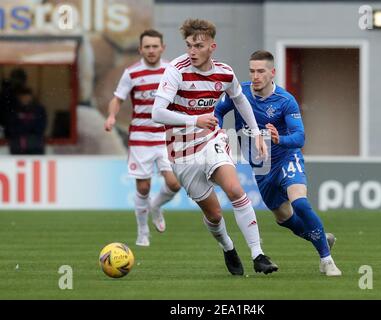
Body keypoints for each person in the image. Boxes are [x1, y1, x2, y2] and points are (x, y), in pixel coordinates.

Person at [152, 19, 278, 275]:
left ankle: (258, 255)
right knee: (214, 214)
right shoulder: (176, 70)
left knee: (234, 189)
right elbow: (157, 113)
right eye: (189, 45)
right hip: (181, 153)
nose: (192, 51)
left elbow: (240, 100)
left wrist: (255, 133)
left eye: (198, 46)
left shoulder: (224, 72)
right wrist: (194, 119)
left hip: (211, 140)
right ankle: (228, 247)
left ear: (212, 46)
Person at [215, 50, 342, 276]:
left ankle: (326, 260)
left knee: (300, 204)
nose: (255, 76)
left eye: (261, 71)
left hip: (286, 158)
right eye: (252, 71)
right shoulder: (239, 92)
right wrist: (215, 129)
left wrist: (278, 139)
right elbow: (218, 110)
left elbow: (300, 137)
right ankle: (322, 238)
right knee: (285, 219)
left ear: (272, 73)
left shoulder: (285, 101)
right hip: (262, 169)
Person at [104, 29, 181, 247]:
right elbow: (117, 99)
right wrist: (111, 116)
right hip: (140, 137)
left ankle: (156, 207)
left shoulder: (171, 70)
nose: (151, 50)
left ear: (162, 48)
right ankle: (143, 231)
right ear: (140, 49)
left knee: (174, 184)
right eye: (147, 47)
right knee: (143, 188)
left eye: (155, 46)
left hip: (165, 136)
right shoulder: (132, 73)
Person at [6, 87, 47, 155]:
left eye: (27, 96)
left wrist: (28, 132)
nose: (25, 99)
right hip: (17, 145)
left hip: (35, 144)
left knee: (34, 163)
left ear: (31, 97)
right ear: (19, 97)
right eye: (23, 97)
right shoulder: (14, 110)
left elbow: (41, 126)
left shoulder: (39, 109)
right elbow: (10, 126)